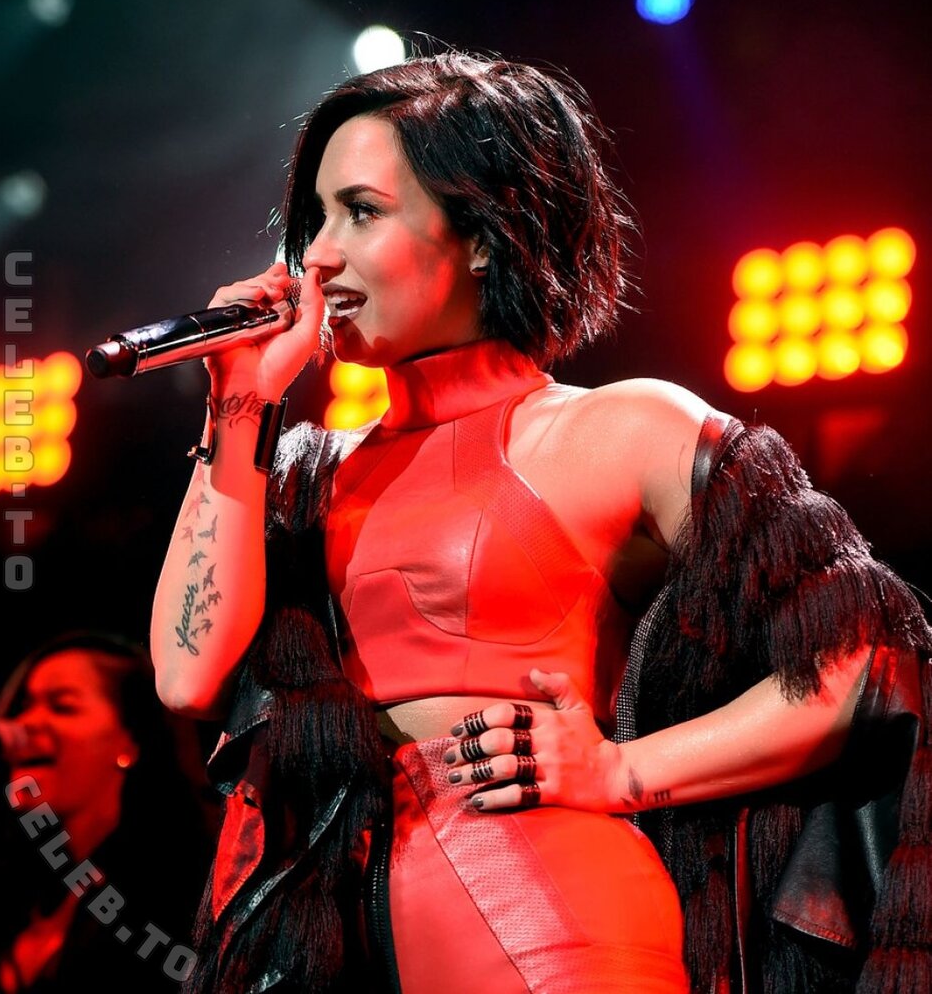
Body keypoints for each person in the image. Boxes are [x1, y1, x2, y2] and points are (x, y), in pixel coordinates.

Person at [149, 49, 932, 993]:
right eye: (315, 217)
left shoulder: (618, 427)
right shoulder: (298, 474)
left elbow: (859, 664)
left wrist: (620, 772)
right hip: (336, 945)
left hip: (548, 926)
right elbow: (187, 677)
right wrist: (237, 404)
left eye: (361, 211)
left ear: (482, 235)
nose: (315, 254)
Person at [0, 630, 216, 993]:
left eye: (62, 706)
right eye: (24, 706)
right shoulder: (15, 889)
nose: (27, 723)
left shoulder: (176, 894)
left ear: (130, 740)